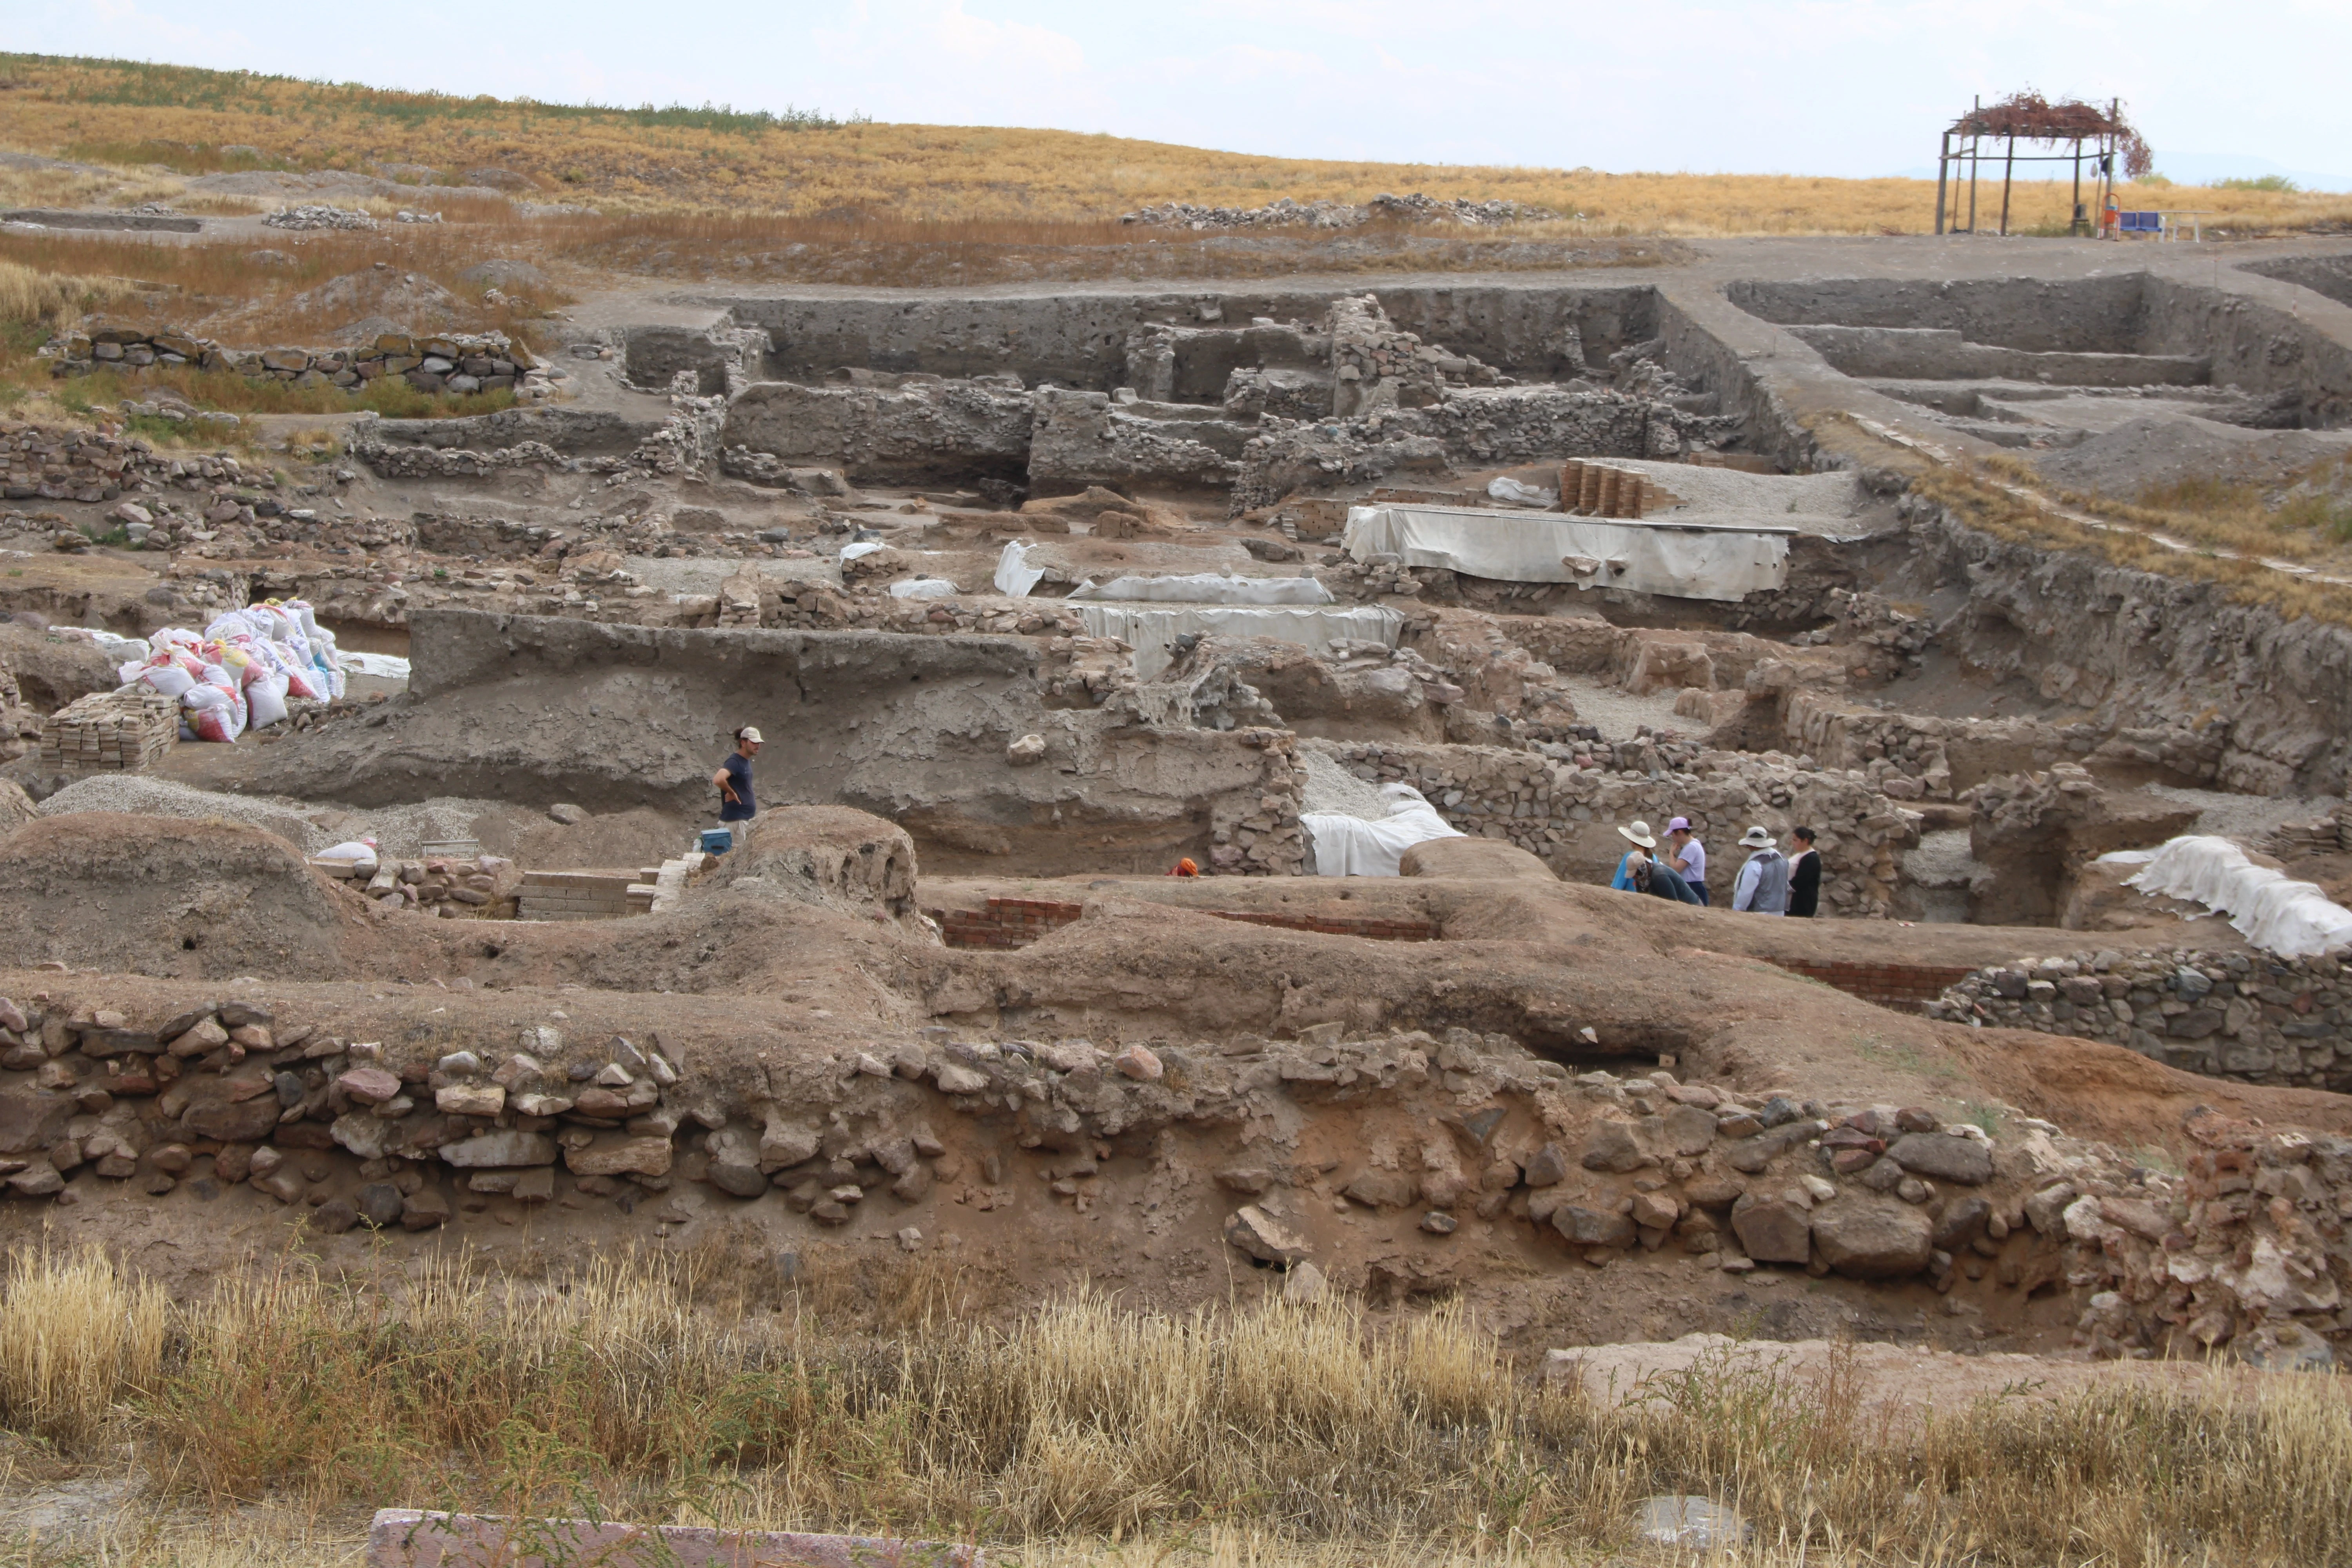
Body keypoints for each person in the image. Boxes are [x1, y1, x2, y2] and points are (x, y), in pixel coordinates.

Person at [1611, 821, 1700, 905]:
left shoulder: (1659, 875)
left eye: (1636, 874)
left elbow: (1673, 905)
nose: (1635, 877)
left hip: (1691, 907)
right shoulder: (1645, 872)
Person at [1731, 825, 1789, 915]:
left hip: (1760, 913)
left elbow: (1746, 893)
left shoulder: (1755, 864)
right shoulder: (1782, 859)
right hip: (1779, 911)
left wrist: (1737, 910)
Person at [712, 726, 762, 827]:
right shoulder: (735, 762)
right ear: (743, 743)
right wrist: (732, 793)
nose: (758, 746)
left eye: (759, 743)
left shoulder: (744, 761)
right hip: (735, 822)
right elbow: (718, 779)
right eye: (754, 742)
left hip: (741, 820)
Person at [1662, 817, 1709, 906]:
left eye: (1673, 835)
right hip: (1693, 886)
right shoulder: (1693, 845)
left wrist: (1671, 853)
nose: (1673, 838)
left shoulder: (1691, 847)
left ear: (1680, 832)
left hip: (1693, 888)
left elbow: (1676, 870)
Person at [1786, 826, 1821, 918]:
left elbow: (1801, 881)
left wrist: (1782, 888)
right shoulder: (1800, 855)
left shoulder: (1811, 858)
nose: (1793, 843)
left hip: (1801, 901)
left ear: (1805, 841)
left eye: (1796, 840)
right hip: (1792, 899)